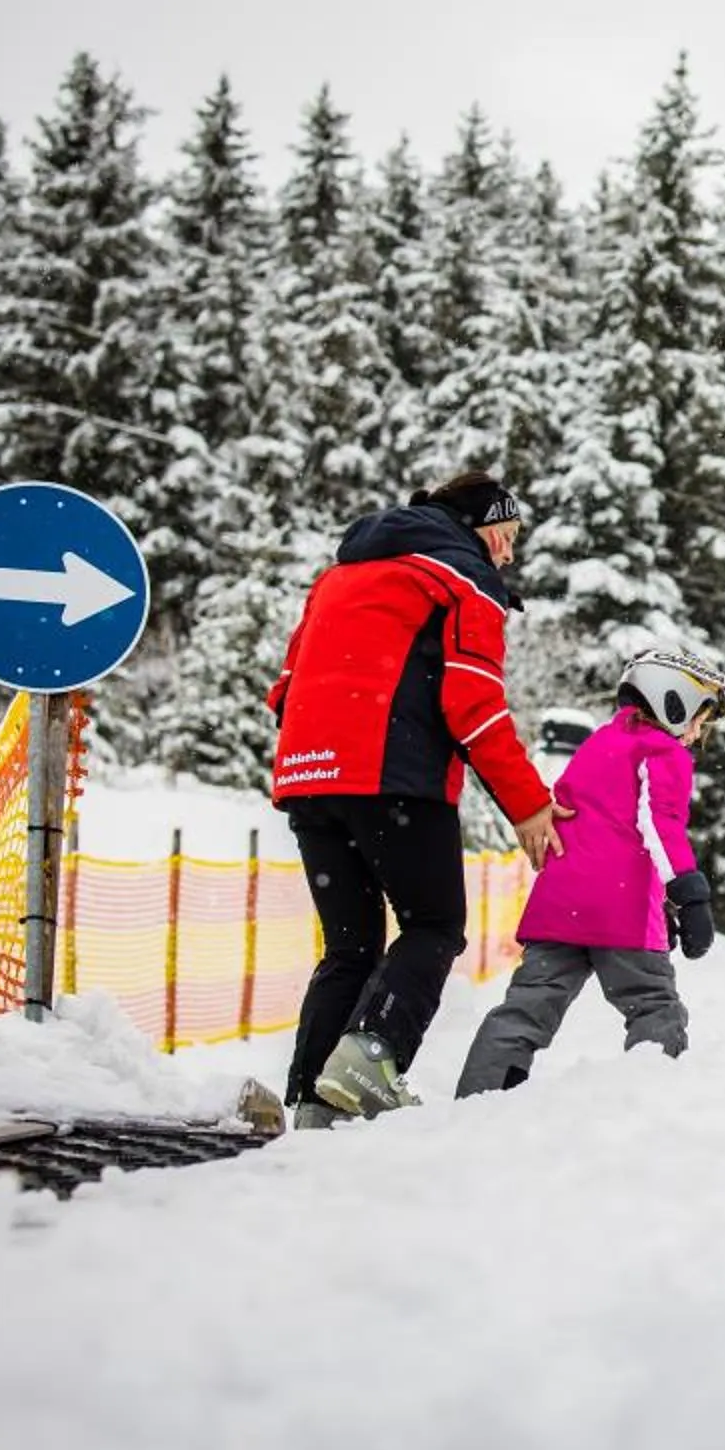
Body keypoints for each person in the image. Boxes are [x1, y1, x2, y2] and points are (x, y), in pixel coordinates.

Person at [267, 470, 566, 1124]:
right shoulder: (464, 577)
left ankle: (313, 1102)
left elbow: (284, 686)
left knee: (351, 947)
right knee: (434, 926)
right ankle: (372, 1056)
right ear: (483, 526)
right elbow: (473, 702)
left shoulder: (337, 578)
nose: (509, 554)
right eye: (507, 536)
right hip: (394, 777)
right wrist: (528, 804)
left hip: (307, 776)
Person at [458, 646, 725, 1097]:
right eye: (699, 719)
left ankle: (480, 1097)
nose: (697, 733)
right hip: (620, 913)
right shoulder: (663, 752)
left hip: (558, 908)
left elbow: (592, 824)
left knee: (526, 1009)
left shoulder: (600, 743)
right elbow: (658, 825)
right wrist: (688, 894)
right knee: (652, 1006)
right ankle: (654, 1095)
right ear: (673, 701)